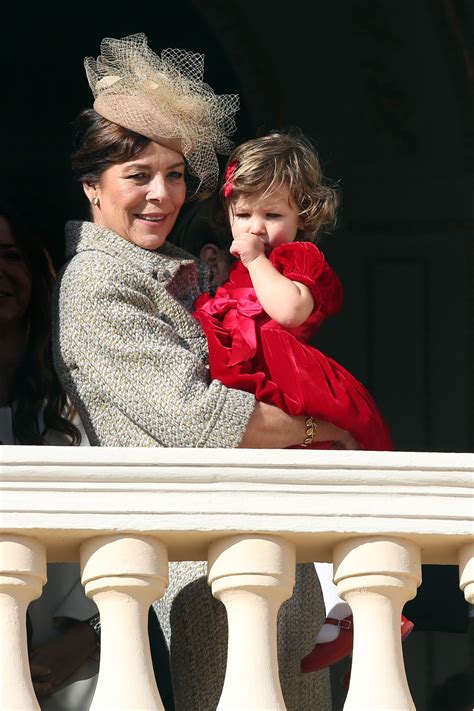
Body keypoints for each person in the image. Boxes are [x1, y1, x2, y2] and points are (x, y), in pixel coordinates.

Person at [53, 32, 359, 709]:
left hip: (260, 538)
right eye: (138, 175)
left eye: (175, 174)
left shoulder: (191, 267)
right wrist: (324, 427)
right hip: (201, 560)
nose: (161, 195)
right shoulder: (99, 283)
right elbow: (203, 421)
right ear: (91, 185)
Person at [191, 130, 413, 673]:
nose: (256, 228)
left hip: (294, 382)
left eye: (273, 214)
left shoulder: (297, 258)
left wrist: (258, 262)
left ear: (302, 216)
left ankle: (349, 606)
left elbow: (288, 312)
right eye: (244, 214)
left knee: (317, 499)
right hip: (254, 386)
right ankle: (330, 607)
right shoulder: (242, 261)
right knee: (278, 507)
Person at [0, 205, 173, 710]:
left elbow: (140, 520)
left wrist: (89, 635)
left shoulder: (78, 394)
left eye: (10, 255)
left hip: (83, 667)